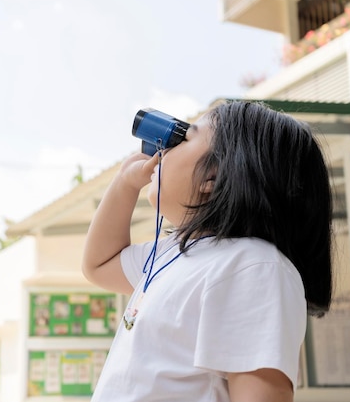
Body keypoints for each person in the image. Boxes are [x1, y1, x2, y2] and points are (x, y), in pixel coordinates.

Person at [82, 100, 333, 402]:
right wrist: (124, 183)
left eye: (183, 137)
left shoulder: (253, 266)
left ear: (212, 177)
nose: (163, 151)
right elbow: (99, 264)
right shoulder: (173, 255)